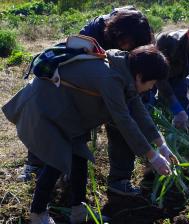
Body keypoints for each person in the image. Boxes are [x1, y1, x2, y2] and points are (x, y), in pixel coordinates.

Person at [2, 45, 178, 224]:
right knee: (57, 160)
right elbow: (124, 120)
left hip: (66, 112)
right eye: (152, 83)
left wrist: (161, 145)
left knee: (79, 158)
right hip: (46, 108)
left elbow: (138, 110)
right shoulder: (111, 78)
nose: (151, 88)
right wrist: (152, 156)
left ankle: (78, 211)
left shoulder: (124, 69)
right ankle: (37, 214)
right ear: (140, 76)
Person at [17, 7, 155, 195]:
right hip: (77, 91)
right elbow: (73, 61)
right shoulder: (95, 33)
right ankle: (36, 165)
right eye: (127, 44)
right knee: (60, 122)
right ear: (118, 34)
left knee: (123, 121)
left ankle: (119, 179)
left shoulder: (141, 38)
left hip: (115, 88)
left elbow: (139, 87)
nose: (128, 49)